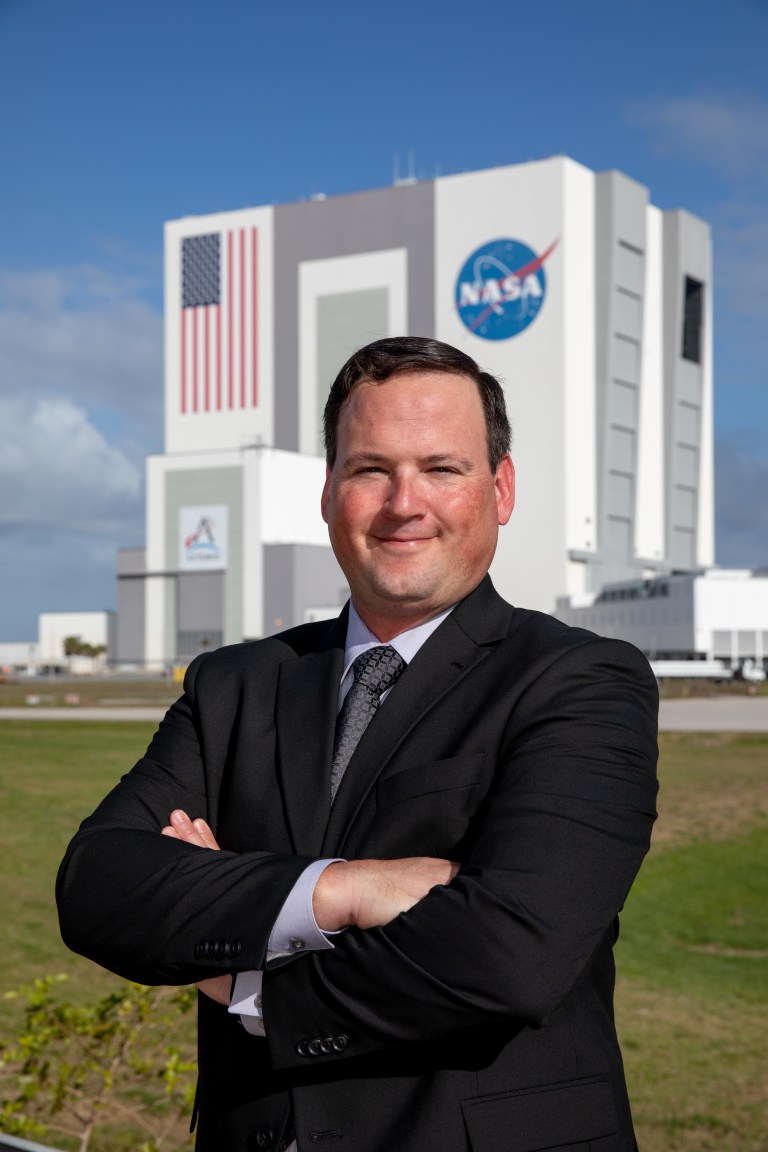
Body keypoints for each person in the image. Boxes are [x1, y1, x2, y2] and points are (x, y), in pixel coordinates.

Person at [57, 336, 658, 1152]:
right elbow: (98, 885)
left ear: (501, 488)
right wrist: (341, 891)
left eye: (442, 468)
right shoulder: (235, 684)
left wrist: (247, 983)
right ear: (330, 490)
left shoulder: (580, 681)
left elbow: (512, 953)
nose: (404, 502)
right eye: (370, 468)